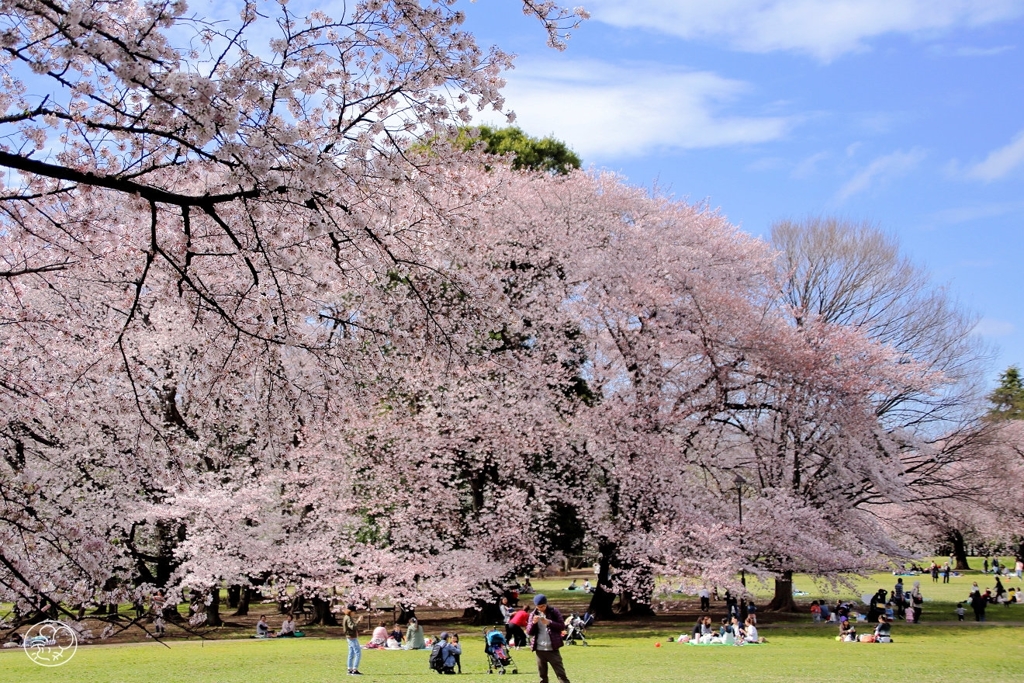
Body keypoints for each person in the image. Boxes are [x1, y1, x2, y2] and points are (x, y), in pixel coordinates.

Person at [526, 594, 571, 683]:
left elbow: (562, 626)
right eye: (539, 606)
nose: (541, 608)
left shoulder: (554, 612)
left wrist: (549, 622)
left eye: (543, 606)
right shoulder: (533, 614)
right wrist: (533, 623)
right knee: (542, 677)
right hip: (539, 649)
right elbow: (529, 632)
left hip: (552, 649)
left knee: (561, 675)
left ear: (546, 604)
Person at [343, 604, 364, 675]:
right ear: (351, 611)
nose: (354, 613)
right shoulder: (348, 618)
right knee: (358, 653)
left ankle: (349, 669)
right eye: (354, 612)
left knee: (351, 653)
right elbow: (352, 627)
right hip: (352, 637)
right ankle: (355, 669)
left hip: (349, 637)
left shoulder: (346, 617)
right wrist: (358, 621)